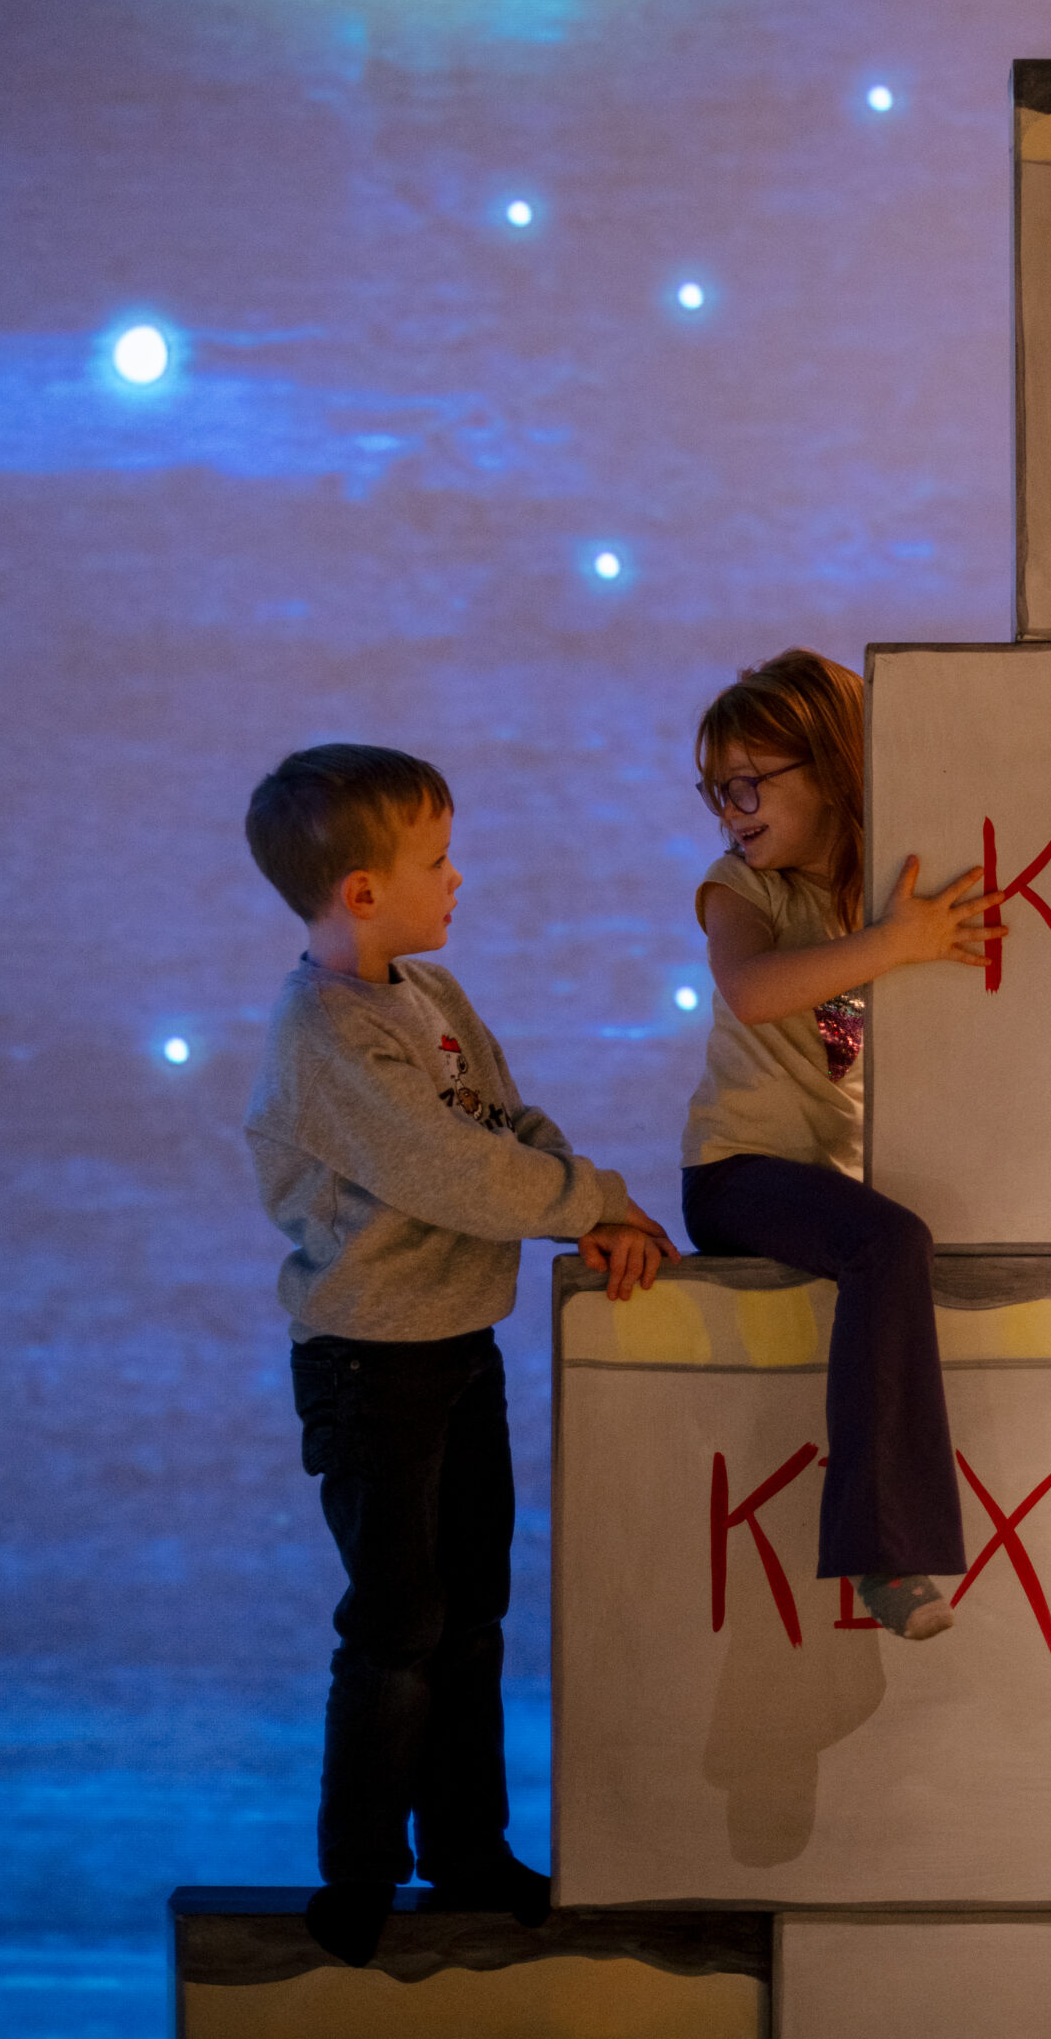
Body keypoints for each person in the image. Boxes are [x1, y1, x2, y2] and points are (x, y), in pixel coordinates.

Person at [242, 742, 677, 1968]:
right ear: (362, 890)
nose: (458, 877)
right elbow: (455, 1171)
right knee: (396, 1622)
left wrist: (590, 1202)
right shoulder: (323, 1031)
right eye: (436, 860)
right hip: (370, 1364)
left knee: (470, 1609)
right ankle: (361, 1871)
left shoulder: (432, 995)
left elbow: (507, 1122)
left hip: (454, 1348)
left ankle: (468, 1847)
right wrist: (593, 1198)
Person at [681, 649, 1007, 1641]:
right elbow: (752, 989)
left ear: (829, 767)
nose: (731, 811)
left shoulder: (876, 888)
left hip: (832, 1174)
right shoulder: (739, 888)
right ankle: (883, 1553)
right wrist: (893, 945)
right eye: (716, 791)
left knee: (911, 1234)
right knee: (889, 1241)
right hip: (735, 1175)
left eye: (748, 783)